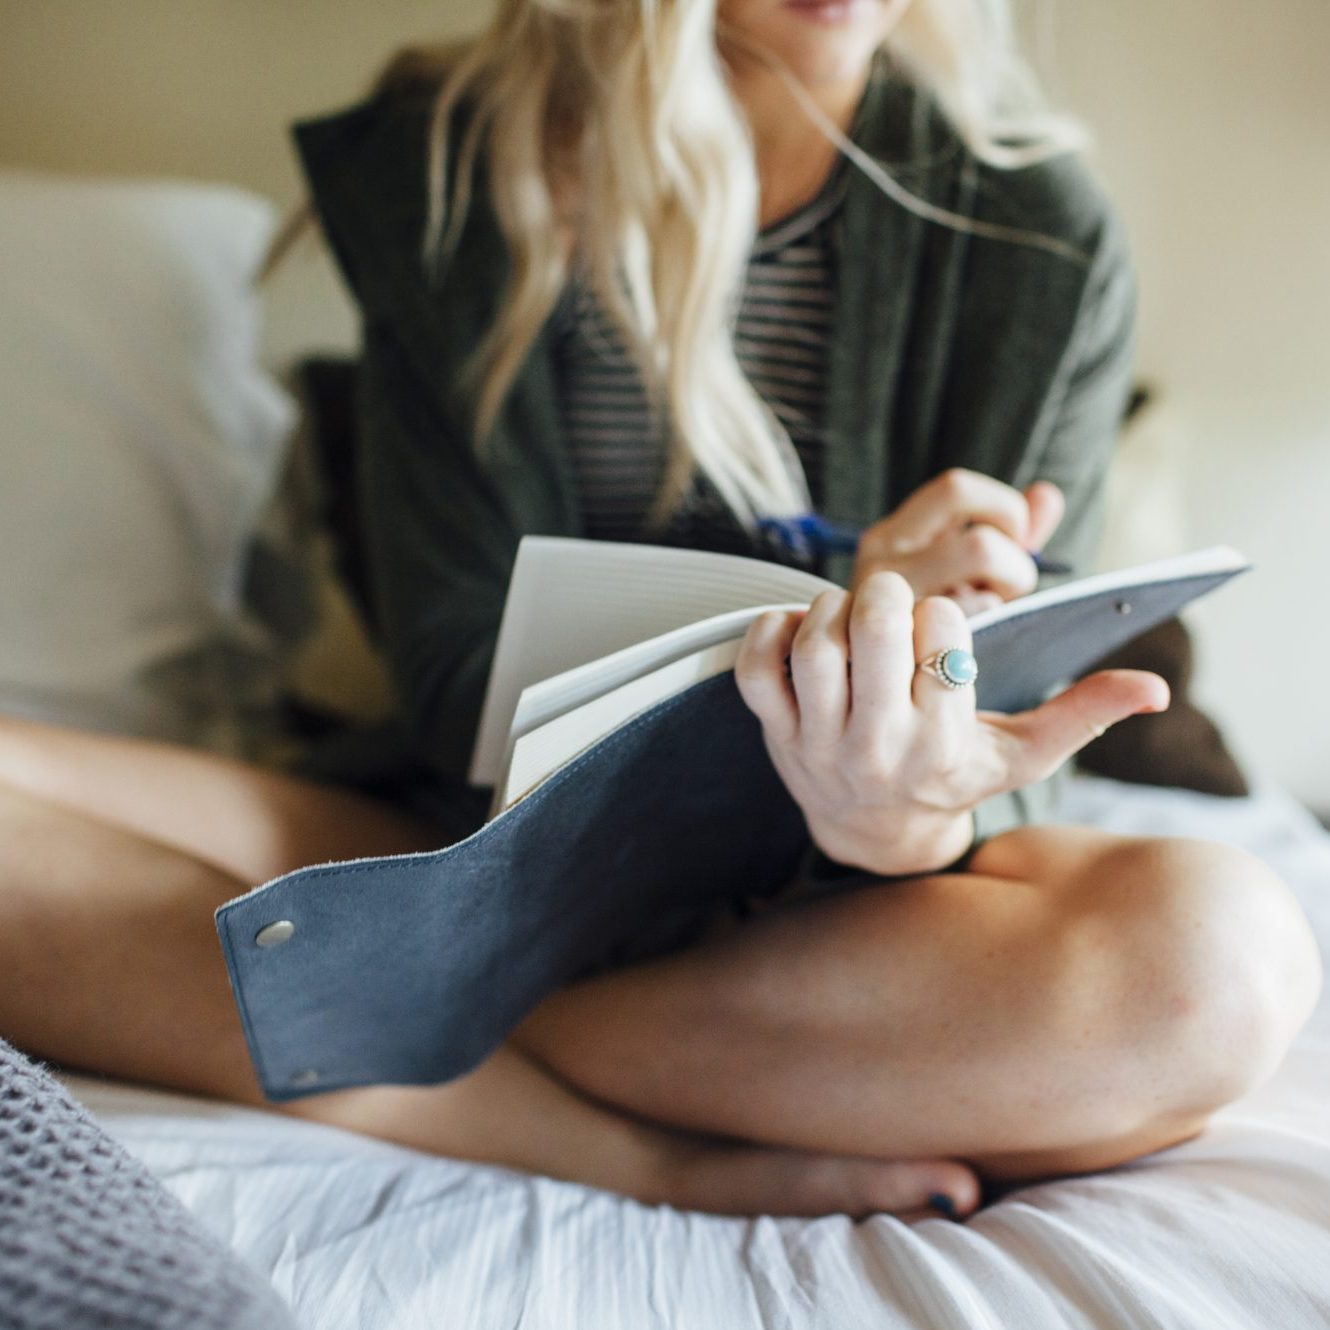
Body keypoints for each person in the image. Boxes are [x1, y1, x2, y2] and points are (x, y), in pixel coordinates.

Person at [0, 0, 1320, 1224]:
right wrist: (851, 573)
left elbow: (1002, 756)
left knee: (1217, 963)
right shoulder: (448, 169)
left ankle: (380, 1024)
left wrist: (901, 794)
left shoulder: (1032, 225)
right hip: (477, 857)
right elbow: (456, 678)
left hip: (832, 924)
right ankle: (609, 1138)